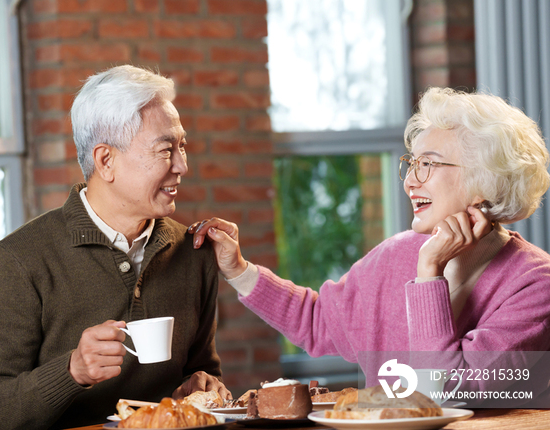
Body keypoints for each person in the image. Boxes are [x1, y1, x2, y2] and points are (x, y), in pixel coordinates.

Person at [189, 87, 550, 401]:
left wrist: (429, 275)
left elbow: (449, 393)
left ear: (485, 180)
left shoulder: (536, 284)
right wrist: (237, 270)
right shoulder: (395, 255)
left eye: (428, 164)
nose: (410, 181)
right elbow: (318, 323)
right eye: (411, 164)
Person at [0, 65, 229, 430]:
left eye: (182, 146)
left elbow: (201, 371)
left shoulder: (194, 253)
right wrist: (72, 370)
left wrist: (200, 385)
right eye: (165, 150)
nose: (182, 166)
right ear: (106, 161)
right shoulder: (20, 261)